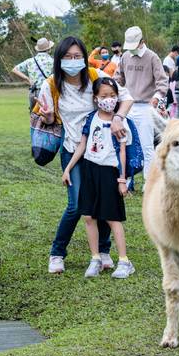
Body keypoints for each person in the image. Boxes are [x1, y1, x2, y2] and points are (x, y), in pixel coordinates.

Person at [43, 36, 133, 274]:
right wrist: (48, 117)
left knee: (103, 203)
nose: (73, 61)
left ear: (84, 57)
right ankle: (57, 253)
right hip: (74, 149)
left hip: (102, 154)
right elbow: (48, 117)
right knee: (76, 206)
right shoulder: (52, 83)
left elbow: (126, 98)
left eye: (77, 56)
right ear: (59, 59)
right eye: (67, 57)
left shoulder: (94, 76)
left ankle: (103, 251)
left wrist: (117, 118)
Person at [62, 77, 135, 279]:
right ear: (95, 98)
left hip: (109, 173)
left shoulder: (120, 123)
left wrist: (122, 180)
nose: (108, 100)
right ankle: (95, 258)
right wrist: (68, 168)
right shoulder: (91, 118)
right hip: (90, 171)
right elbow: (82, 145)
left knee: (113, 218)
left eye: (112, 96)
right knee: (88, 216)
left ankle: (124, 261)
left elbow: (122, 153)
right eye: (104, 96)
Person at [115, 26, 169, 181]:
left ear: (142, 42)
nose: (131, 50)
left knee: (146, 145)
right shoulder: (125, 56)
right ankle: (128, 180)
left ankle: (149, 181)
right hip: (128, 106)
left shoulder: (152, 57)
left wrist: (157, 97)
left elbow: (162, 81)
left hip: (146, 106)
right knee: (126, 143)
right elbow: (119, 78)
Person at [12, 37, 55, 109]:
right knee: (48, 116)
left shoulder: (30, 61)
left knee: (34, 117)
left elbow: (15, 70)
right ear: (48, 49)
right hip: (48, 92)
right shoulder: (53, 61)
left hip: (34, 93)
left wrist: (27, 79)